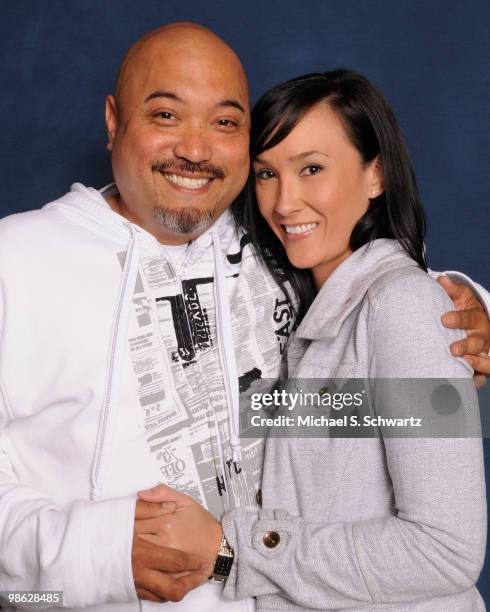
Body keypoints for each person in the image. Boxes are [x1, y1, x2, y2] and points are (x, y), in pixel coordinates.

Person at [0, 22, 488, 612]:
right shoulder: (16, 261)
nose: (197, 150)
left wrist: (464, 310)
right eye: (165, 115)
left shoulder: (272, 242)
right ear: (112, 121)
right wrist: (93, 556)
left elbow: (377, 316)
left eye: (225, 123)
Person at [137, 70, 489, 611]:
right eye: (266, 174)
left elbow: (447, 550)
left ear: (376, 175)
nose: (284, 202)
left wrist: (232, 549)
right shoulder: (307, 304)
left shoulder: (402, 308)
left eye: (312, 169)